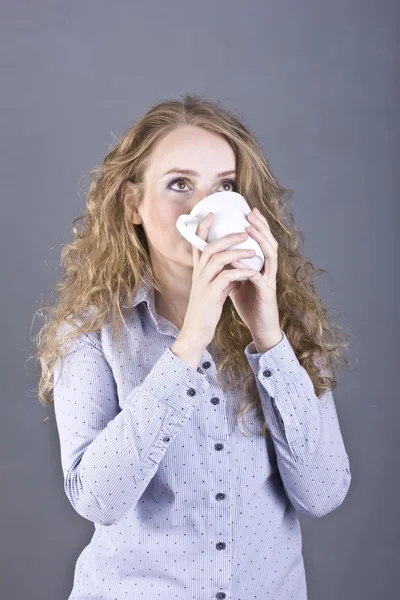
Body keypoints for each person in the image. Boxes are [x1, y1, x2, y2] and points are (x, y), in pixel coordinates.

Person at [35, 94, 352, 600]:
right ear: (133, 204)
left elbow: (323, 493)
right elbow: (97, 499)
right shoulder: (90, 331)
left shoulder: (285, 325)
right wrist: (190, 343)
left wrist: (270, 339)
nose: (203, 205)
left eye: (224, 187)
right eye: (179, 184)